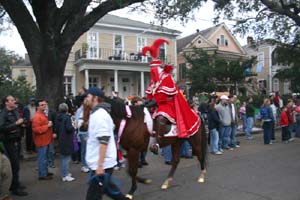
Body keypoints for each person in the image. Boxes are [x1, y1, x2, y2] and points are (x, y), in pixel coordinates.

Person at [142, 38, 200, 154]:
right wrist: (148, 102)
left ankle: (157, 143)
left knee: (161, 118)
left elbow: (169, 95)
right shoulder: (154, 82)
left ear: (158, 69)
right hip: (157, 105)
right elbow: (151, 94)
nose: (153, 72)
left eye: (154, 70)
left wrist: (155, 102)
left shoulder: (166, 77)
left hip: (168, 105)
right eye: (152, 70)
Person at [84, 87, 129, 200]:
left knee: (92, 197)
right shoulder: (96, 114)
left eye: (88, 96)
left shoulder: (100, 115)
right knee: (112, 192)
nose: (86, 99)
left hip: (102, 165)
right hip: (99, 163)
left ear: (95, 98)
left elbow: (104, 140)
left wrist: (100, 166)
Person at [0, 95, 28, 196]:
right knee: (14, 164)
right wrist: (16, 123)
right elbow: (1, 127)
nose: (14, 101)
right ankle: (14, 188)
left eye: (14, 100)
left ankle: (16, 183)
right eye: (11, 100)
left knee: (17, 164)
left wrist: (22, 124)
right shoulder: (3, 113)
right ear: (6, 103)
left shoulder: (14, 111)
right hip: (9, 142)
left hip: (17, 140)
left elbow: (18, 122)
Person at [31, 100, 54, 181]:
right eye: (42, 105)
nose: (44, 106)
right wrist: (47, 126)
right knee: (42, 158)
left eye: (45, 104)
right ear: (38, 106)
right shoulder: (37, 117)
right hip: (41, 141)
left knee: (45, 158)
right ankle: (42, 175)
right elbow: (36, 130)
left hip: (46, 140)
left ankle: (45, 172)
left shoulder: (42, 114)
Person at [55, 103, 76, 182]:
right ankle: (65, 175)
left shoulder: (57, 117)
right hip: (67, 139)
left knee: (63, 157)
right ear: (67, 109)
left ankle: (64, 173)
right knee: (66, 158)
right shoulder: (67, 118)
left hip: (61, 138)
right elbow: (69, 128)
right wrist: (73, 126)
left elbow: (56, 128)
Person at [75, 96, 90, 173]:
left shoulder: (88, 109)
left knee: (88, 149)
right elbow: (77, 122)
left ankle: (88, 164)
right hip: (83, 132)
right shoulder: (80, 110)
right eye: (86, 100)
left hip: (88, 131)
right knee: (84, 149)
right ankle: (84, 165)